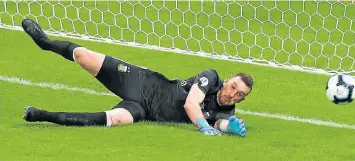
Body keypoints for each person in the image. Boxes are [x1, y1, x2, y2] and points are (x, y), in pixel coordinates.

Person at [21, 19, 254, 137]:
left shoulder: (226, 112)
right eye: (233, 86)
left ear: (241, 100)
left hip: (144, 111)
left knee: (113, 119)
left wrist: (231, 126)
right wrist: (203, 126)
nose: (233, 93)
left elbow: (221, 123)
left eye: (239, 94)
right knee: (83, 56)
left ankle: (39, 115)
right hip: (142, 82)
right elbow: (191, 104)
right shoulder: (211, 78)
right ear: (226, 81)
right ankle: (45, 42)